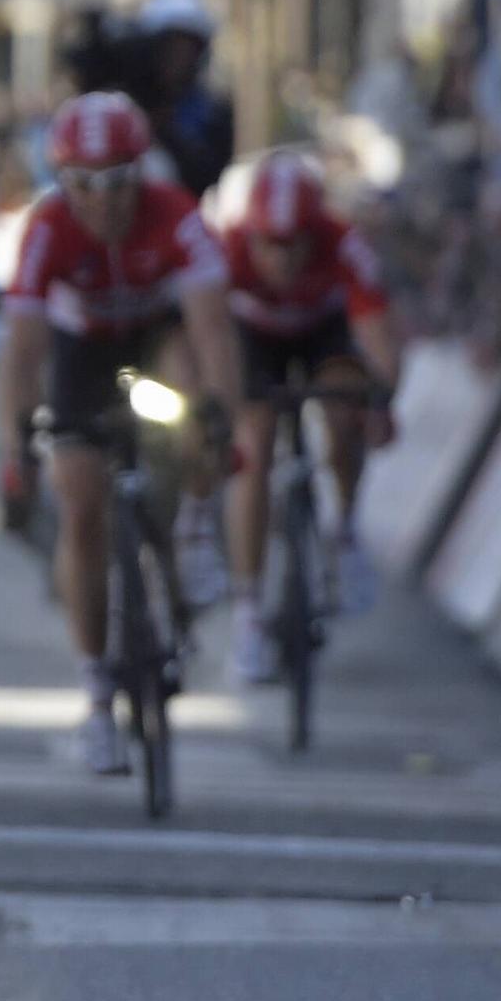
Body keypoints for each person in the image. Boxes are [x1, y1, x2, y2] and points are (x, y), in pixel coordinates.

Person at [0, 91, 243, 775]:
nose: (102, 201)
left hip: (157, 340)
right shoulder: (47, 227)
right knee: (81, 506)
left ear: (143, 173)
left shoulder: (178, 216)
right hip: (83, 353)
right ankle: (98, 698)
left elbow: (213, 331)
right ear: (63, 182)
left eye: (118, 182)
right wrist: (19, 437)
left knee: (195, 394)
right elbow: (22, 352)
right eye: (84, 185)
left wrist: (219, 420)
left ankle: (193, 525)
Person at [219, 151, 402, 689]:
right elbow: (203, 330)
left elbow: (379, 335)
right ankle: (248, 610)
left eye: (292, 242)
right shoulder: (226, 248)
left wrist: (382, 403)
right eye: (267, 243)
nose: (279, 257)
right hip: (251, 337)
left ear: (313, 231)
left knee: (348, 400)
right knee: (250, 447)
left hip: (321, 332)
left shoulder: (343, 242)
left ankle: (343, 528)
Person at [130, 0, 236, 201]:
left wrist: (164, 128)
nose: (177, 57)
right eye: (169, 46)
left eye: (186, 47)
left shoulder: (213, 113)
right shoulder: (130, 101)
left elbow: (207, 177)